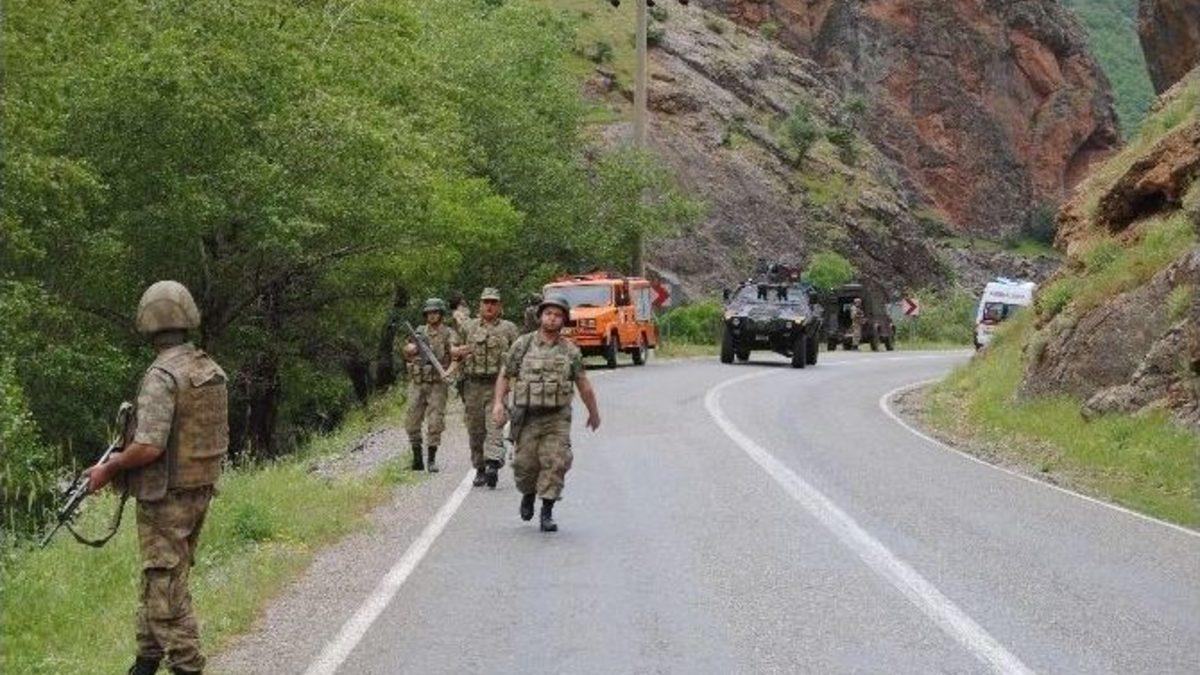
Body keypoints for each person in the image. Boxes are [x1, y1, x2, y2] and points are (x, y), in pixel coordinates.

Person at [84, 280, 228, 675]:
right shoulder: (208, 368)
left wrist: (110, 467)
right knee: (160, 577)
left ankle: (187, 666)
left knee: (165, 587)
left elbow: (149, 446)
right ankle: (145, 663)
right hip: (198, 488)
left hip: (166, 497)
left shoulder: (162, 375)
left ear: (148, 322)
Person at [492, 294, 600, 533]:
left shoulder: (570, 350)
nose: (552, 319)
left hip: (556, 418)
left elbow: (583, 384)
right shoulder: (523, 344)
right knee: (524, 465)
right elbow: (505, 375)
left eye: (558, 315)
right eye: (548, 314)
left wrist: (594, 413)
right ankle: (528, 494)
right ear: (540, 316)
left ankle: (547, 511)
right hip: (527, 416)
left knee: (556, 462)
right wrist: (498, 403)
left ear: (564, 320)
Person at [452, 288, 520, 488]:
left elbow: (519, 355)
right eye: (486, 302)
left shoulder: (509, 328)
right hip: (472, 385)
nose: (489, 306)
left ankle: (493, 464)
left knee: (495, 424)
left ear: (499, 306)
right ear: (480, 305)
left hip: (497, 385)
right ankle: (480, 468)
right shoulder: (468, 327)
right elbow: (452, 348)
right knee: (475, 430)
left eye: (493, 302)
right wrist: (459, 351)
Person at [403, 298, 460, 473]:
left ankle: (432, 459)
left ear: (441, 314)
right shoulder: (419, 332)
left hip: (437, 384)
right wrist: (410, 349)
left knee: (435, 422)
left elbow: (456, 357)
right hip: (418, 383)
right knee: (412, 421)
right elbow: (407, 353)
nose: (432, 315)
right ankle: (417, 458)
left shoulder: (448, 333)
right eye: (429, 312)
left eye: (435, 312)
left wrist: (448, 372)